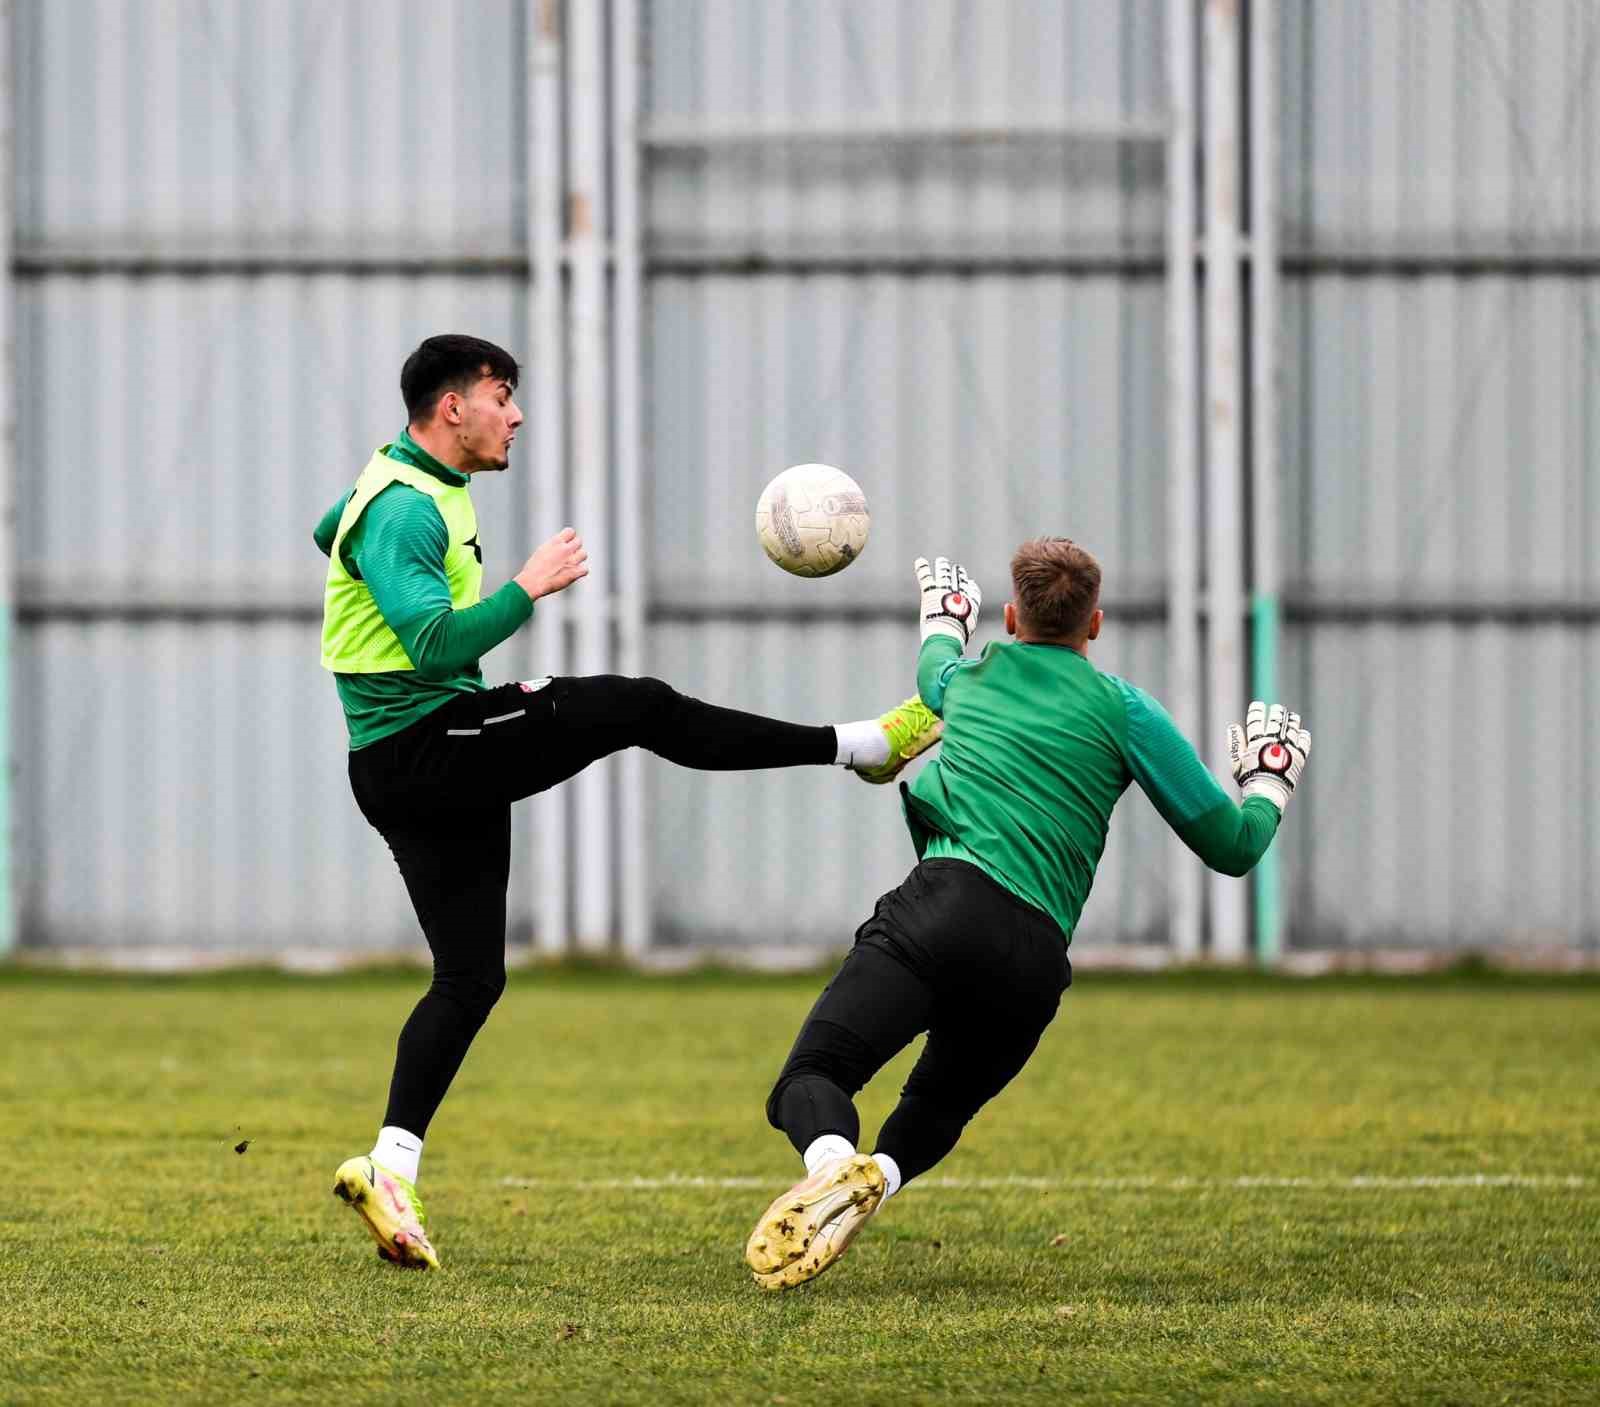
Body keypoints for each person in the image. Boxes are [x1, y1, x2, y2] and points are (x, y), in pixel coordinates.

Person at [315, 333, 940, 1270]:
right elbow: (437, 643)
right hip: (429, 745)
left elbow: (330, 529)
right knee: (636, 706)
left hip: (405, 759)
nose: (516, 413)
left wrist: (361, 553)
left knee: (471, 977)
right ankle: (861, 745)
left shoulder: (389, 487)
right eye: (502, 395)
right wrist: (529, 586)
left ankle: (391, 1165)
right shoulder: (406, 510)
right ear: (452, 408)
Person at [744, 539, 1311, 1290]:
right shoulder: (1124, 710)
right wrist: (1268, 788)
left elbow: (932, 667)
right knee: (937, 1102)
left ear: (1010, 615)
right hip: (1035, 958)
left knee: (811, 1078)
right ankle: (877, 1174)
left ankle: (831, 1164)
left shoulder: (968, 679)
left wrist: (943, 618)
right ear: (1095, 624)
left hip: (943, 906)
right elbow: (1232, 847)